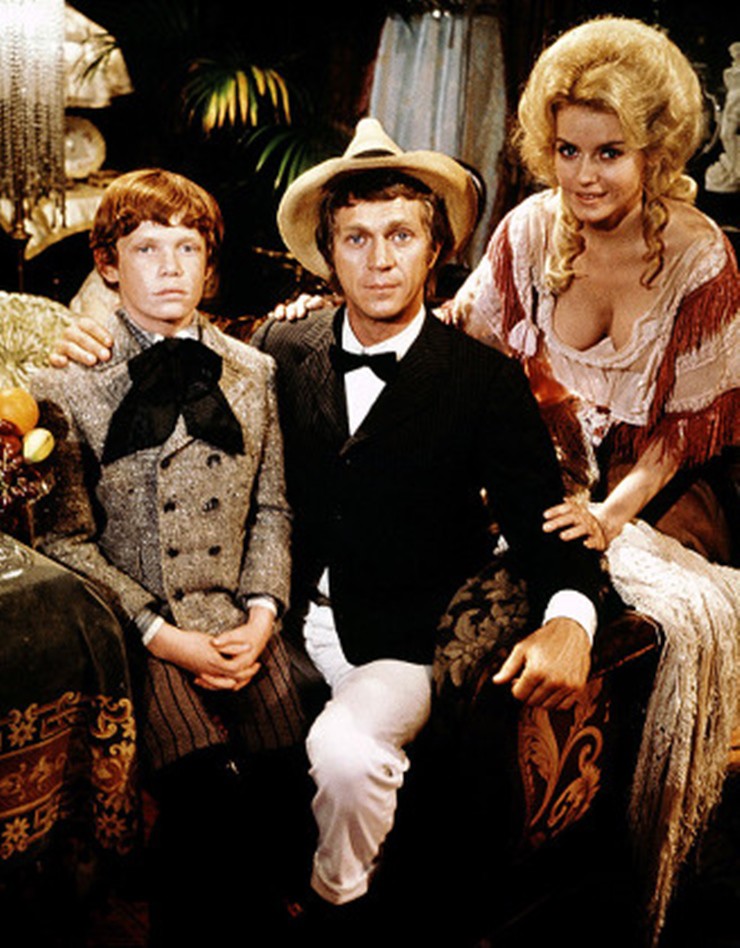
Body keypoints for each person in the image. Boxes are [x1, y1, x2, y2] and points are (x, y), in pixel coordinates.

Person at [52, 120, 605, 945]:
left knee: (347, 759)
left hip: (400, 639)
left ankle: (335, 915)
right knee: (229, 801)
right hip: (278, 625)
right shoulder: (280, 346)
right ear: (328, 255)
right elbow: (185, 361)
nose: (379, 260)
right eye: (356, 239)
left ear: (436, 250)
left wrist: (572, 618)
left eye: (400, 236)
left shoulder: (484, 381)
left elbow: (545, 522)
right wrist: (88, 337)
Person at [442, 17, 739, 945]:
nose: (583, 176)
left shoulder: (702, 255)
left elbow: (687, 433)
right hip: (534, 474)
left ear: (656, 151)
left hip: (657, 496)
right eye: (567, 150)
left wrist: (610, 515)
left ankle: (616, 864)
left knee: (634, 610)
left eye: (610, 153)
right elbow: (457, 339)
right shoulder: (529, 229)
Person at [30, 169, 307, 946]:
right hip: (138, 630)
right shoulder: (68, 381)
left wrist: (263, 614)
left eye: (188, 248)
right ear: (108, 264)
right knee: (205, 795)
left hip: (235, 616)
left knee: (289, 775)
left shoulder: (253, 371)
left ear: (209, 264)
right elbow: (65, 542)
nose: (170, 267)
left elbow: (272, 508)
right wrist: (161, 635)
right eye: (147, 249)